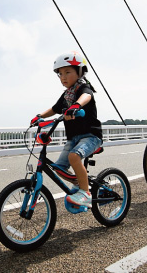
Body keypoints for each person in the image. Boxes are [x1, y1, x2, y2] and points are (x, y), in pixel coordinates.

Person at [31, 51, 102, 208]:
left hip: (91, 136)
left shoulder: (83, 88)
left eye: (67, 72)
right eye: (60, 74)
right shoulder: (66, 95)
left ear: (80, 72)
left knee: (74, 157)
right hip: (73, 138)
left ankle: (85, 193)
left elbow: (86, 97)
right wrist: (38, 117)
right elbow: (54, 109)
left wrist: (76, 106)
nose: (63, 77)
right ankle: (80, 182)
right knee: (59, 167)